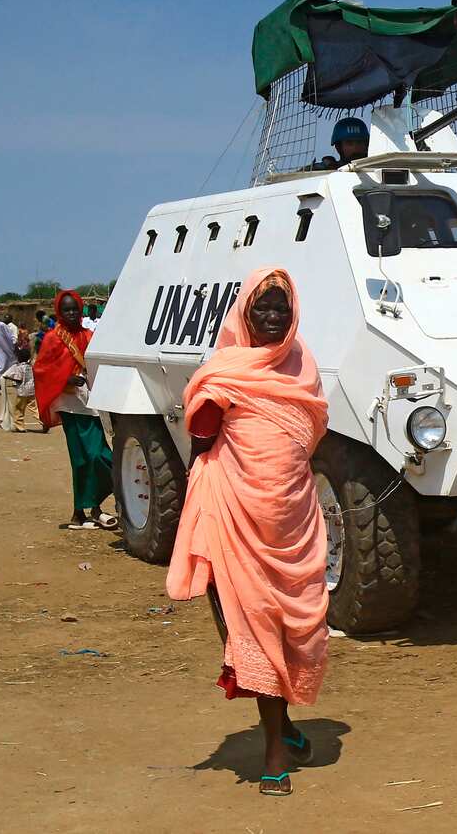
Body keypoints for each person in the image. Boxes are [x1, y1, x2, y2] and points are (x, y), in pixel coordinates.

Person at [167, 267, 330, 798]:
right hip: (235, 517)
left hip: (293, 522)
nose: (271, 316)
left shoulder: (303, 364)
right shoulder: (224, 370)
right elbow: (202, 438)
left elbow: (311, 432)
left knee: (290, 628)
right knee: (250, 626)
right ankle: (275, 755)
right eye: (262, 307)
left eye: (281, 308)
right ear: (243, 312)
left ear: (293, 313)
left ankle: (282, 726)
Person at [34, 289, 116, 529]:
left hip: (89, 402)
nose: (71, 313)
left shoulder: (88, 335)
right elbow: (41, 369)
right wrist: (66, 379)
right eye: (66, 310)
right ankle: (82, 511)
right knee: (81, 458)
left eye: (75, 309)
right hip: (69, 404)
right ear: (59, 312)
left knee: (100, 455)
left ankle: (92, 507)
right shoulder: (53, 338)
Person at [1, 347, 37, 432]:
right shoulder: (31, 367)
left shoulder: (19, 367)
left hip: (22, 392)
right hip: (32, 391)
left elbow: (18, 378)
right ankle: (43, 421)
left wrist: (10, 377)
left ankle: (20, 426)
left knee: (19, 409)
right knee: (35, 408)